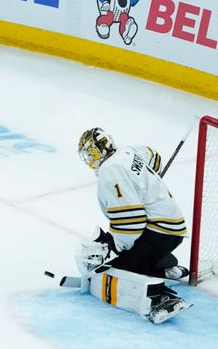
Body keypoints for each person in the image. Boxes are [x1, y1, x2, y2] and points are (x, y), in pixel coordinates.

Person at [75, 127, 192, 323]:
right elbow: (153, 156)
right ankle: (165, 268)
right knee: (130, 257)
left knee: (120, 269)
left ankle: (163, 298)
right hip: (169, 230)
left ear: (97, 152)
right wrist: (143, 182)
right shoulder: (125, 152)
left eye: (89, 153)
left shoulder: (109, 171)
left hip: (159, 232)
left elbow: (132, 224)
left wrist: (114, 248)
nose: (89, 159)